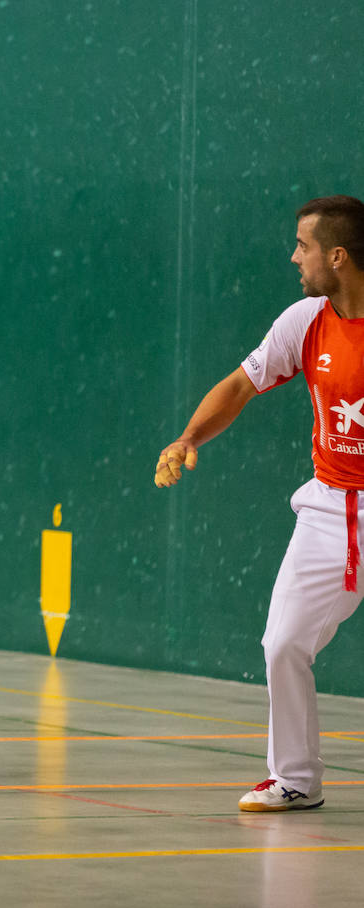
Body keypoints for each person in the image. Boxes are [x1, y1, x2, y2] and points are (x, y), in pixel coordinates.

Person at [156, 195, 364, 812]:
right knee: (283, 642)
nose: (293, 256)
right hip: (328, 508)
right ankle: (295, 777)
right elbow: (241, 385)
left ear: (338, 255)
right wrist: (189, 436)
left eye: (303, 246)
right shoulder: (305, 321)